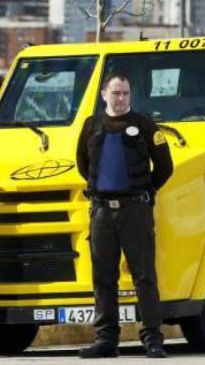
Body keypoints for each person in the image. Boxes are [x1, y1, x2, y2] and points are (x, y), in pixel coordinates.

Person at [75, 72, 174, 359]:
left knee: (144, 277)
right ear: (104, 94)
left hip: (135, 211)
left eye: (125, 94)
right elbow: (83, 165)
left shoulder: (144, 125)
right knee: (103, 279)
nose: (121, 99)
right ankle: (106, 340)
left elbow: (165, 167)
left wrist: (144, 193)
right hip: (102, 212)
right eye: (116, 93)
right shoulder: (91, 126)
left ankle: (153, 339)